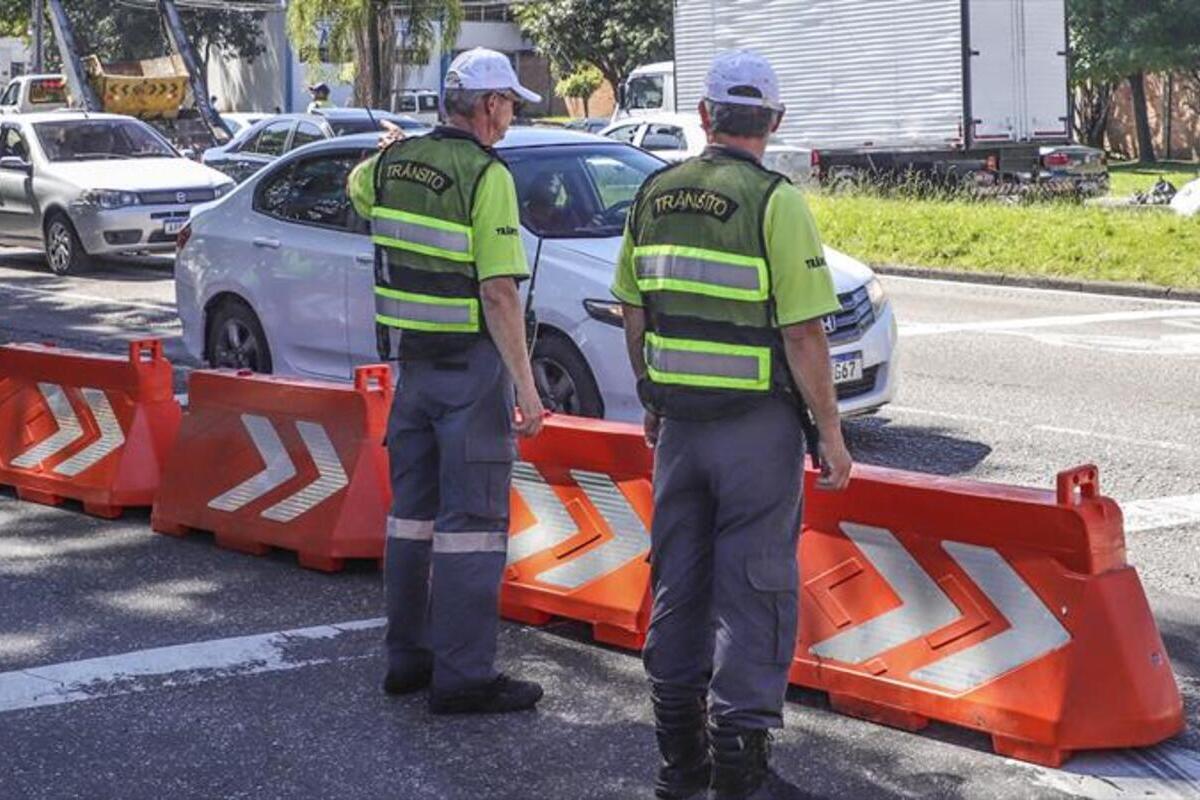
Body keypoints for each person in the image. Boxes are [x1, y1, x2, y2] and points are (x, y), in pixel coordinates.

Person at [611, 51, 853, 799]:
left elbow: (633, 308)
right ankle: (740, 773)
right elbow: (805, 335)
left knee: (680, 581)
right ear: (774, 122)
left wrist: (651, 394)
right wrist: (832, 434)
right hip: (756, 430)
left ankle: (680, 767)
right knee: (755, 587)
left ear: (707, 117)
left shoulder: (653, 192)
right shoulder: (774, 202)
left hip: (680, 429)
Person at [347, 47, 547, 715]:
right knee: (472, 527)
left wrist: (390, 151)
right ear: (487, 106)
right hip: (470, 372)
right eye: (510, 103)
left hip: (414, 371)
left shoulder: (391, 165)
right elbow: (498, 293)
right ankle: (463, 677)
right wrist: (527, 385)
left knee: (411, 520)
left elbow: (357, 188)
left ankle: (407, 660)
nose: (512, 115)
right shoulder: (486, 175)